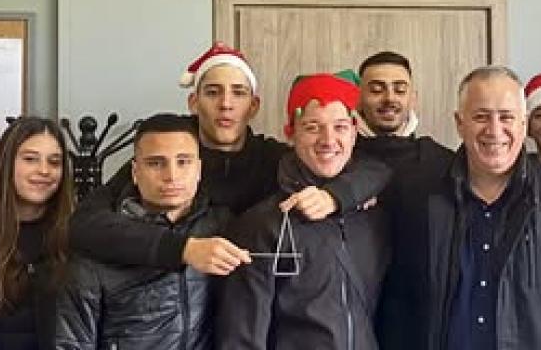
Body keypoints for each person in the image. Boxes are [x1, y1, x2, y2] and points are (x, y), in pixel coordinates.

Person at [70, 42, 388, 279]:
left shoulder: (273, 158)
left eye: (238, 93)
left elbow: (373, 168)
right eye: (213, 92)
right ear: (194, 102)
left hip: (249, 299)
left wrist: (338, 195)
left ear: (253, 106)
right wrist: (182, 248)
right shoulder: (168, 156)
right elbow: (85, 224)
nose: (226, 104)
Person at [388, 66, 541, 349]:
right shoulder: (420, 199)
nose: (494, 130)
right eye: (481, 117)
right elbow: (399, 304)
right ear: (460, 123)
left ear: (523, 124)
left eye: (506, 117)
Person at [219, 74, 389, 350]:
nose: (328, 140)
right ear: (291, 133)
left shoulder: (373, 214)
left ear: (354, 133)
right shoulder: (263, 225)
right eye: (312, 127)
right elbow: (242, 338)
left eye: (340, 127)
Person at [57, 114, 226, 349]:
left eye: (183, 162)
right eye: (156, 163)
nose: (171, 176)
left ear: (199, 169)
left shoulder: (221, 227)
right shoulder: (99, 244)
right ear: (135, 172)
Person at [0, 117, 75, 349]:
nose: (44, 171)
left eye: (55, 162)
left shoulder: (75, 233)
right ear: (7, 163)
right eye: (30, 159)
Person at [353, 51, 454, 184]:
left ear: (413, 99)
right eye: (376, 90)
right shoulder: (336, 157)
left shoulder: (442, 162)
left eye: (400, 90)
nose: (390, 98)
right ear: (358, 99)